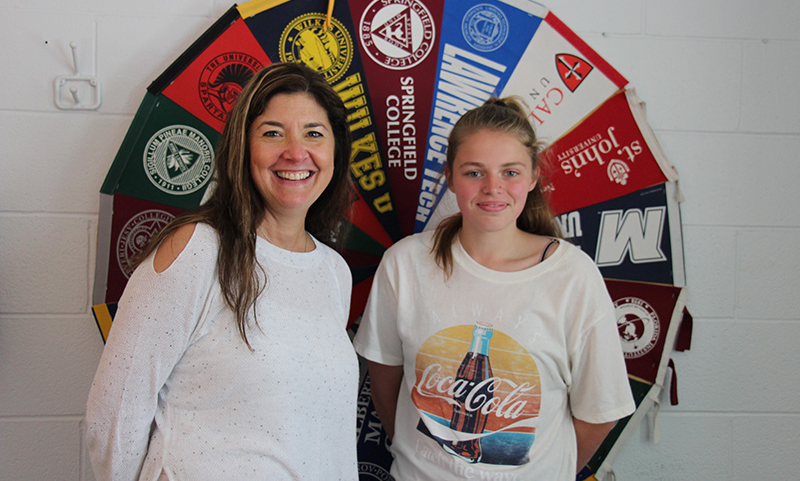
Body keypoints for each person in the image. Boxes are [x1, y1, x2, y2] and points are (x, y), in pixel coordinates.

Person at [86, 62, 359, 480]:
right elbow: (115, 410)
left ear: (335, 152)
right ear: (242, 149)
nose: (295, 151)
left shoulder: (334, 272)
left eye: (314, 133)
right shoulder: (197, 249)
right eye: (272, 133)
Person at [353, 97, 635, 480]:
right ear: (450, 176)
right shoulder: (405, 264)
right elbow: (384, 378)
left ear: (534, 178)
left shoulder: (573, 276)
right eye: (474, 172)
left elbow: (598, 414)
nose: (492, 188)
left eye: (510, 173)